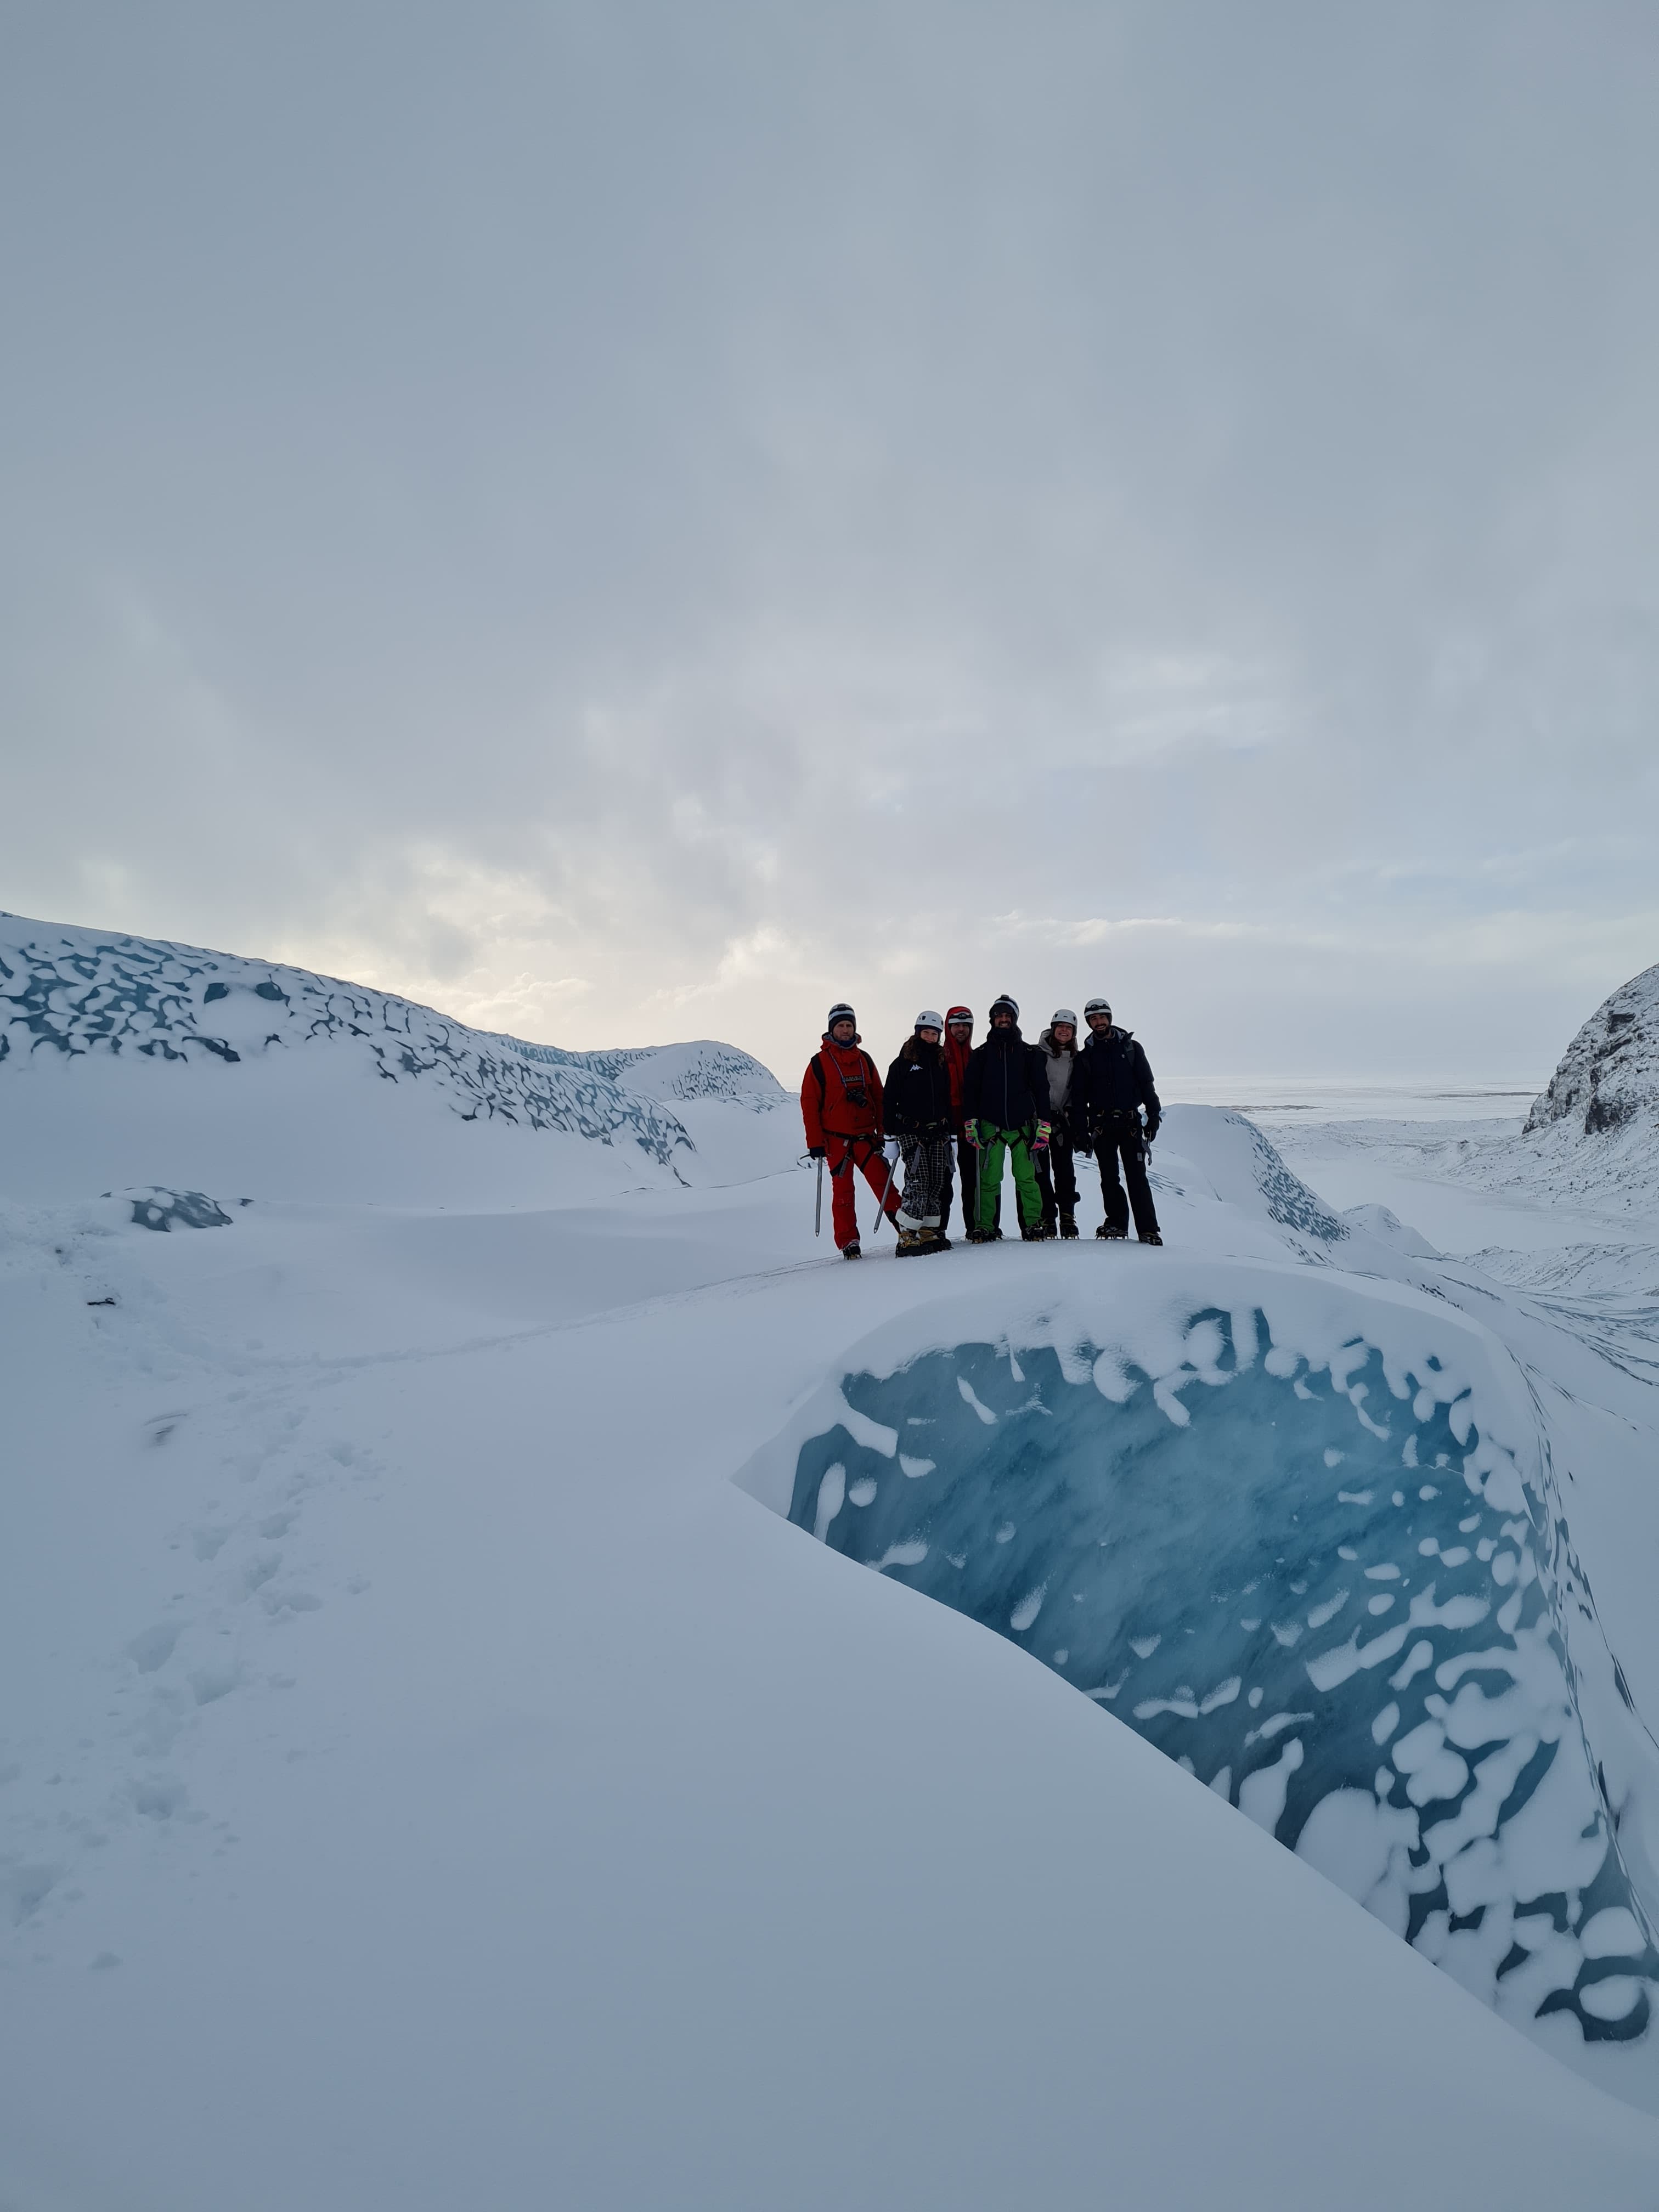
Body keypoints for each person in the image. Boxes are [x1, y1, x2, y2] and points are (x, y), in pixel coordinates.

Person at [801, 1002, 900, 1259]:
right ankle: (849, 1242)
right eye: (841, 1026)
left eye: (849, 1025)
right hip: (836, 1141)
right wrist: (815, 1142)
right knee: (843, 1193)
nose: (845, 1030)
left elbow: (879, 1097)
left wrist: (883, 1132)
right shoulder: (819, 1064)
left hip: (867, 1138)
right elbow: (810, 1105)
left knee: (885, 1185)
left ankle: (906, 1229)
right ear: (832, 1030)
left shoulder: (865, 1060)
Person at [1069, 996, 1163, 1244]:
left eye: (1102, 1017)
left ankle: (1148, 1229)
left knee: (1137, 1177)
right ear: (1089, 1022)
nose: (1098, 1022)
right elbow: (1078, 1098)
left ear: (1110, 1018)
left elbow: (1146, 1084)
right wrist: (1080, 1131)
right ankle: (1116, 1224)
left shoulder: (1132, 1049)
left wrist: (1154, 1115)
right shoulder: (1085, 1057)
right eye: (1093, 1019)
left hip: (1131, 1124)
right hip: (1101, 1126)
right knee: (1109, 1177)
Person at [962, 994, 1052, 1242]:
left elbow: (1042, 1090)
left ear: (1014, 1019)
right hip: (991, 1126)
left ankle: (1034, 1223)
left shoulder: (1030, 1054)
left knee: (1027, 1178)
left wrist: (1044, 1124)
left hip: (1023, 1126)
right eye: (999, 1016)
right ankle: (984, 1225)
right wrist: (971, 1122)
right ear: (992, 1020)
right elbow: (970, 1091)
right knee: (989, 1180)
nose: (1003, 1019)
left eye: (1007, 1016)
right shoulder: (980, 1055)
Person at [882, 1012, 955, 1255]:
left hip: (938, 1132)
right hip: (911, 1131)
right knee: (918, 1181)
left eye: (935, 1034)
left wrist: (951, 1132)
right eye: (926, 1032)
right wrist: (889, 1136)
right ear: (917, 1032)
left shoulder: (940, 1063)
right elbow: (889, 1100)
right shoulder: (902, 1063)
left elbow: (946, 1099)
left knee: (937, 1181)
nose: (931, 1037)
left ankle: (928, 1231)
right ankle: (907, 1234)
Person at [1034, 1009, 1081, 1238]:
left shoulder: (1076, 1057)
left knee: (1064, 1170)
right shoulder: (1037, 1053)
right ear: (1053, 1029)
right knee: (1040, 1171)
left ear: (1073, 1033)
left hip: (1063, 1121)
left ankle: (1067, 1216)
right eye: (1060, 1026)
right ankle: (1047, 1216)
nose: (1064, 1031)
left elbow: (1077, 1089)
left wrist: (1070, 1114)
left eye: (1069, 1028)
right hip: (1038, 1120)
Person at [939, 1006, 983, 1238]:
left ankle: (974, 1226)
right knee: (943, 1182)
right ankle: (939, 1229)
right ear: (948, 1027)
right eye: (957, 1025)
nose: (961, 1029)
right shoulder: (939, 1056)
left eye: (966, 1025)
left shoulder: (976, 1056)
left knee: (973, 1181)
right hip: (945, 1129)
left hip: (971, 1128)